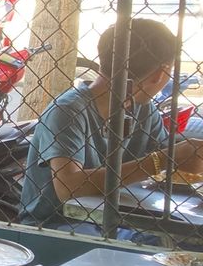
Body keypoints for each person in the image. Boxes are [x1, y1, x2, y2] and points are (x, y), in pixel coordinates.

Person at [19, 19, 203, 238]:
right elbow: (68, 187)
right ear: (160, 74)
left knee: (181, 240)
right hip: (56, 226)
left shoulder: (143, 109)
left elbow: (174, 164)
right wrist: (161, 160)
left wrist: (186, 157)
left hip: (114, 217)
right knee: (159, 243)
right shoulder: (69, 110)